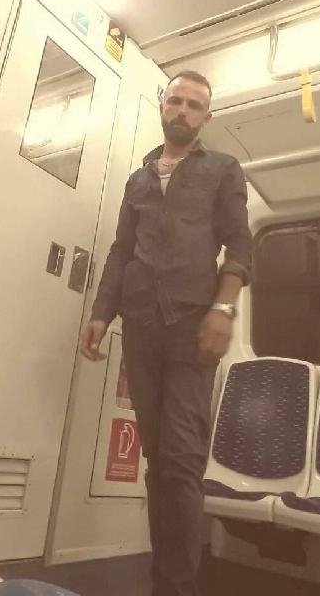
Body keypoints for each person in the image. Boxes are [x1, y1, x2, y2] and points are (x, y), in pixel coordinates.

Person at [80, 71, 252, 596]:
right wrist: (102, 311)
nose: (182, 111)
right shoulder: (137, 179)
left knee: (180, 459)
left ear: (206, 116)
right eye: (175, 101)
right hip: (141, 328)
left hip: (191, 329)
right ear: (163, 107)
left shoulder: (222, 170)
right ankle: (164, 581)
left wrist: (223, 309)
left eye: (193, 105)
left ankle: (178, 588)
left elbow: (240, 245)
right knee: (157, 461)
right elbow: (121, 250)